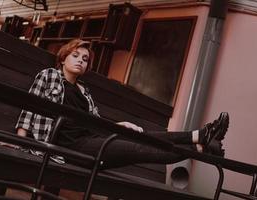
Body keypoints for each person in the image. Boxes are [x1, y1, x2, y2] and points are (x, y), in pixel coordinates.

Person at [15, 39, 229, 169]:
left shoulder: (84, 91)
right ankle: (201, 147)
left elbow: (96, 122)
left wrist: (121, 125)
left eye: (85, 58)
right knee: (138, 147)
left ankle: (198, 138)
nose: (81, 60)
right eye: (76, 55)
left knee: (142, 135)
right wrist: (20, 142)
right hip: (70, 147)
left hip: (92, 139)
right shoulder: (49, 76)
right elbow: (29, 108)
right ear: (63, 58)